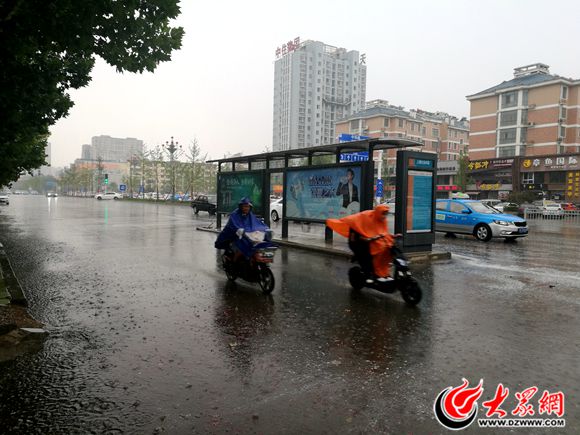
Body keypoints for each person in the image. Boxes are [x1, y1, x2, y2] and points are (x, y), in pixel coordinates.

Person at [326, 204, 394, 283]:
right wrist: (367, 239)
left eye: (386, 214)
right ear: (378, 213)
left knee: (386, 251)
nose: (384, 216)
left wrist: (391, 236)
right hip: (357, 243)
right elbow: (355, 236)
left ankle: (383, 273)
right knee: (366, 256)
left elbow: (383, 232)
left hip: (371, 241)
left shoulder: (382, 220)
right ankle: (369, 274)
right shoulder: (364, 219)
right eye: (383, 214)